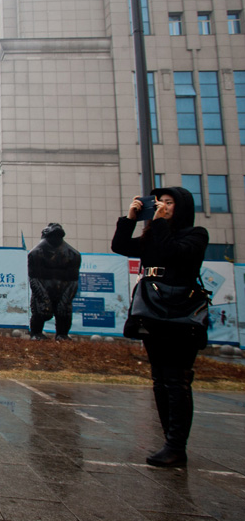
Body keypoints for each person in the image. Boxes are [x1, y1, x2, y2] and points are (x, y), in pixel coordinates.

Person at [112, 187, 209, 468]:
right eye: (159, 204)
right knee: (160, 379)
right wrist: (130, 219)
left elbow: (174, 254)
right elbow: (120, 246)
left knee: (177, 379)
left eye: (169, 203)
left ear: (182, 208)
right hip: (153, 309)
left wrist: (161, 223)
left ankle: (177, 445)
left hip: (181, 311)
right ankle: (170, 441)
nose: (163, 207)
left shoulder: (196, 234)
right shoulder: (154, 234)